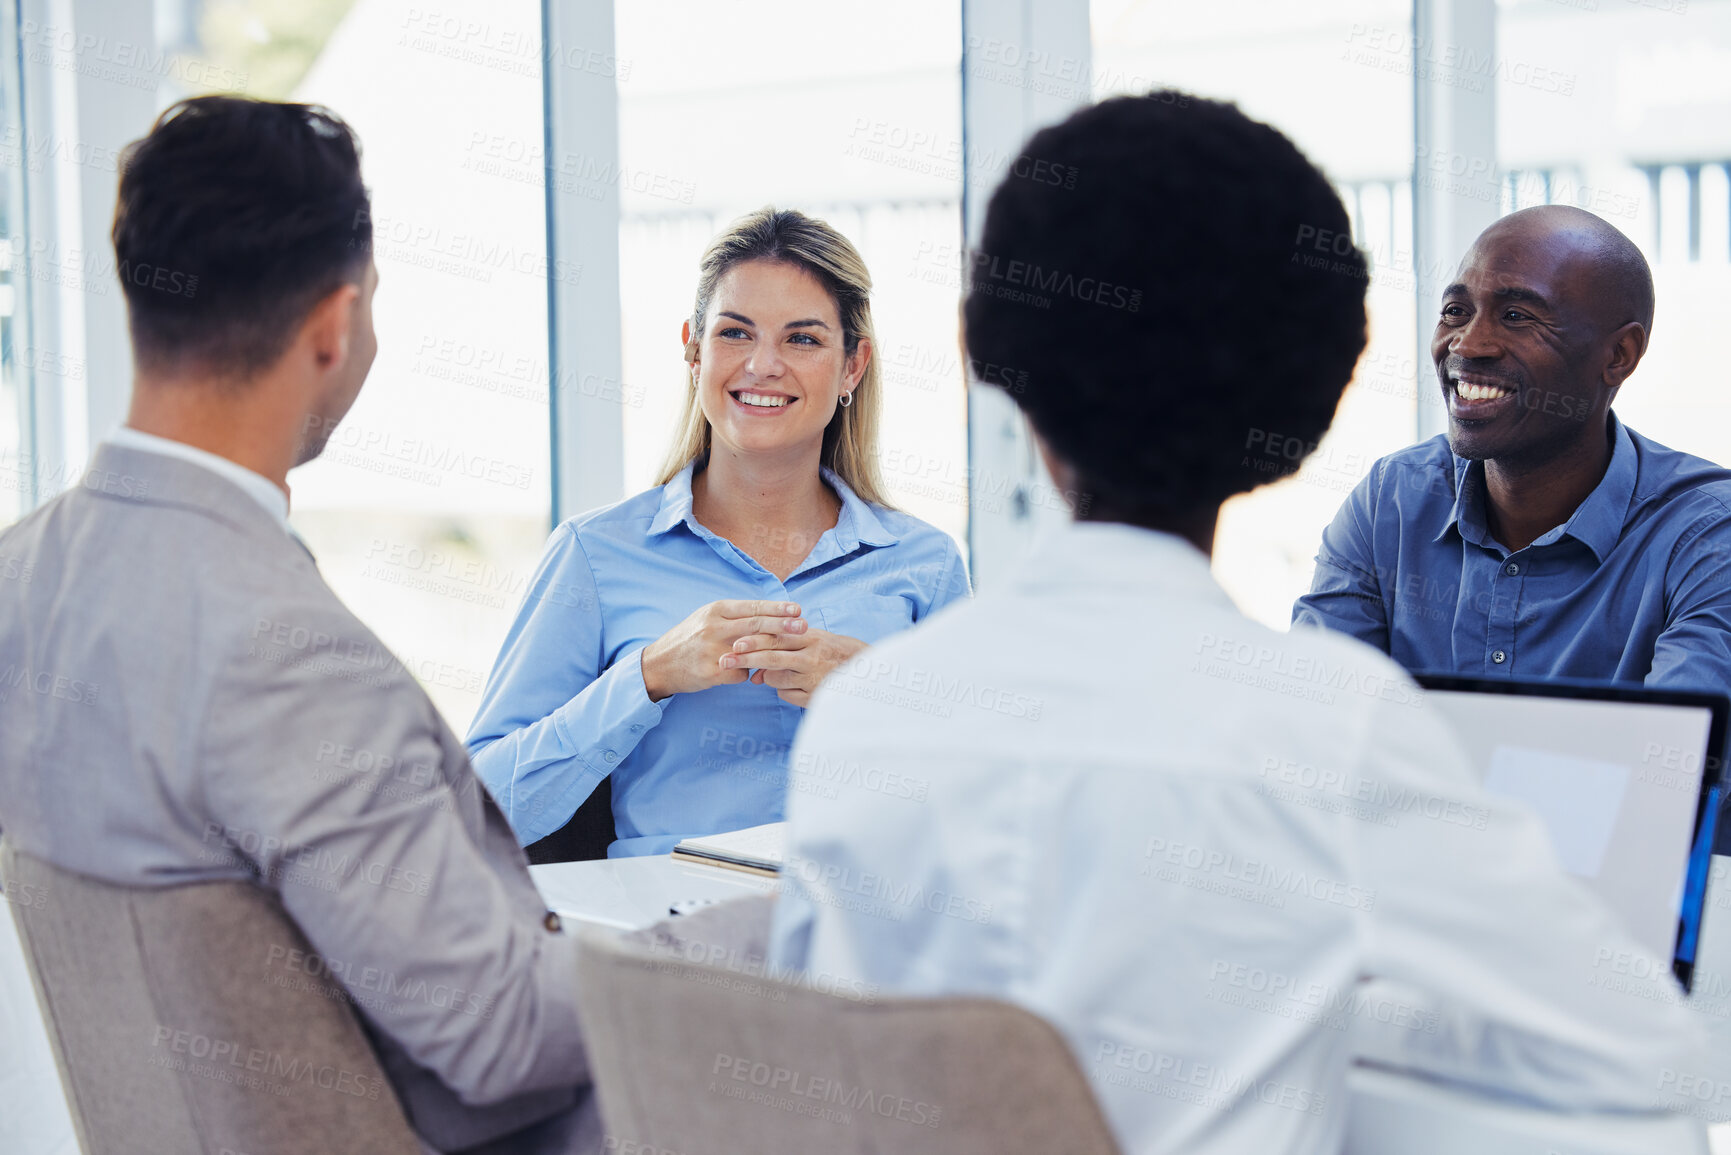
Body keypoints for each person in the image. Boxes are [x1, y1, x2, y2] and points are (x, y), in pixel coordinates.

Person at [765, 93, 1705, 1153]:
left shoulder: (868, 712)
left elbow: (816, 1072)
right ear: (1302, 401)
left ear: (1004, 365)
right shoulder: (1332, 730)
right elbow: (1645, 1059)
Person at [0, 97, 595, 1152]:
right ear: (335, 322)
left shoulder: (23, 576)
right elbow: (498, 1037)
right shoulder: (285, 656)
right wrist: (736, 950)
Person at [466, 208, 969, 857]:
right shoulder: (594, 555)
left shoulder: (924, 564)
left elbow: (995, 804)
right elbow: (475, 811)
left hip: (870, 934)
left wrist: (877, 698)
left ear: (852, 366)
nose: (762, 364)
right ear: (694, 349)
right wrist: (647, 676)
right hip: (672, 935)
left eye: (803, 339)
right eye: (735, 332)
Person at [1293, 204, 1731, 688]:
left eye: (1517, 316)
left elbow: (1679, 753)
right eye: (1456, 311)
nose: (1467, 344)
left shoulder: (1707, 535)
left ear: (1618, 356)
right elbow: (1316, 721)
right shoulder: (1391, 502)